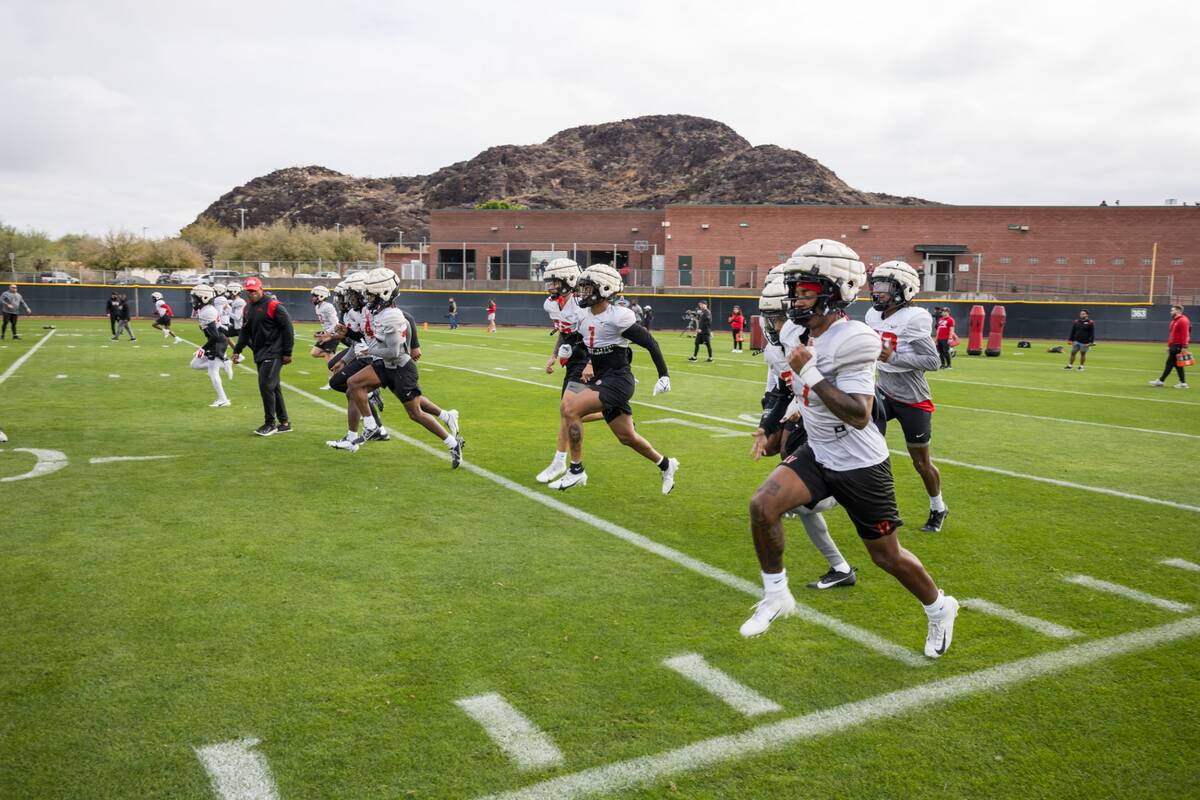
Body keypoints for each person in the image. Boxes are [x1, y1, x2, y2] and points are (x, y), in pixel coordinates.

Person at [742, 239, 958, 659]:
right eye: (795, 289)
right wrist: (779, 419)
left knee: (887, 556)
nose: (795, 299)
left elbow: (859, 413)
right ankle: (776, 596)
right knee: (762, 505)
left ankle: (938, 608)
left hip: (860, 462)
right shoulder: (791, 330)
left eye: (805, 291)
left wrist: (813, 373)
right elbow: (794, 387)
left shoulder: (856, 337)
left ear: (835, 292)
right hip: (818, 451)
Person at [751, 273, 857, 590]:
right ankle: (840, 567)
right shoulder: (778, 348)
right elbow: (780, 391)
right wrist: (766, 424)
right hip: (807, 426)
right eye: (770, 317)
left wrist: (805, 401)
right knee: (796, 501)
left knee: (885, 547)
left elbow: (856, 398)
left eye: (780, 316)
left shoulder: (824, 339)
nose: (776, 324)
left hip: (841, 432)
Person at [551, 264, 679, 493]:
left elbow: (650, 343)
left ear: (605, 288)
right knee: (627, 437)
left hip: (618, 381)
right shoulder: (585, 315)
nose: (582, 292)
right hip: (601, 379)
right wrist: (567, 347)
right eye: (581, 287)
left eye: (587, 288)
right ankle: (666, 464)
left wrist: (664, 375)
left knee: (570, 409)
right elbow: (581, 338)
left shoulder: (618, 317)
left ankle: (576, 470)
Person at [333, 269, 465, 465]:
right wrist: (349, 334)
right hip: (384, 366)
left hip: (400, 369)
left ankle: (452, 443)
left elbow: (393, 352)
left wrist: (371, 351)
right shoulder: (373, 310)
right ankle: (370, 426)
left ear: (384, 293)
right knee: (353, 384)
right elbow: (368, 336)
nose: (366, 297)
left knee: (416, 413)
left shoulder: (392, 316)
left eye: (370, 293)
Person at [864, 261, 948, 532]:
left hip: (913, 398)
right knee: (867, 444)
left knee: (921, 463)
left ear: (904, 289)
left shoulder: (915, 318)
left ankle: (938, 506)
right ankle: (866, 502)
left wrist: (895, 356)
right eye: (875, 286)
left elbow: (932, 361)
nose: (878, 292)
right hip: (883, 391)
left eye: (884, 287)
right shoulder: (873, 316)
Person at [536, 258, 605, 483]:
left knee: (567, 410)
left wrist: (591, 362)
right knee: (568, 412)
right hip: (572, 358)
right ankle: (610, 412)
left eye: (555, 282)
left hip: (586, 356)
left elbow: (595, 334)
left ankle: (562, 463)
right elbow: (563, 332)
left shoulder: (581, 304)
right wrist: (554, 356)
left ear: (569, 280)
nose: (550, 287)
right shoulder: (551, 305)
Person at [232, 277, 295, 436]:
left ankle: (270, 423)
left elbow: (288, 328)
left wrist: (287, 352)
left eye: (254, 291)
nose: (251, 294)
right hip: (260, 352)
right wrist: (237, 350)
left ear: (261, 289)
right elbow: (245, 331)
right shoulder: (247, 308)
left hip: (275, 352)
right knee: (273, 387)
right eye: (248, 291)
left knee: (265, 386)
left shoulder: (274, 306)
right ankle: (285, 423)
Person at [187, 284, 232, 407]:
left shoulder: (207, 311)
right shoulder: (207, 310)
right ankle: (224, 363)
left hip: (216, 343)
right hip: (215, 342)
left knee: (213, 372)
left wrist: (203, 348)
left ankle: (223, 399)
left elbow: (215, 336)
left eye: (195, 298)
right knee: (194, 364)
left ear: (204, 297)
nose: (193, 301)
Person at [1150, 305, 1191, 389]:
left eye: (1172, 310)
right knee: (1178, 365)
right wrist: (1169, 346)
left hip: (1178, 346)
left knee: (1170, 363)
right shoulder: (1175, 321)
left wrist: (1184, 346)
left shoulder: (1183, 320)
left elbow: (1185, 334)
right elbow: (1172, 335)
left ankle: (1161, 381)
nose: (1170, 312)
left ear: (1178, 311)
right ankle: (1182, 383)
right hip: (1174, 345)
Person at [308, 285, 340, 372]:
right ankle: (337, 357)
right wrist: (323, 332)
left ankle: (332, 379)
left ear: (321, 296)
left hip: (332, 334)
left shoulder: (328, 306)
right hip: (326, 333)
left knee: (328, 359)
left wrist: (327, 333)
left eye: (314, 296)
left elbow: (336, 324)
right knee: (314, 353)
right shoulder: (317, 307)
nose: (313, 298)